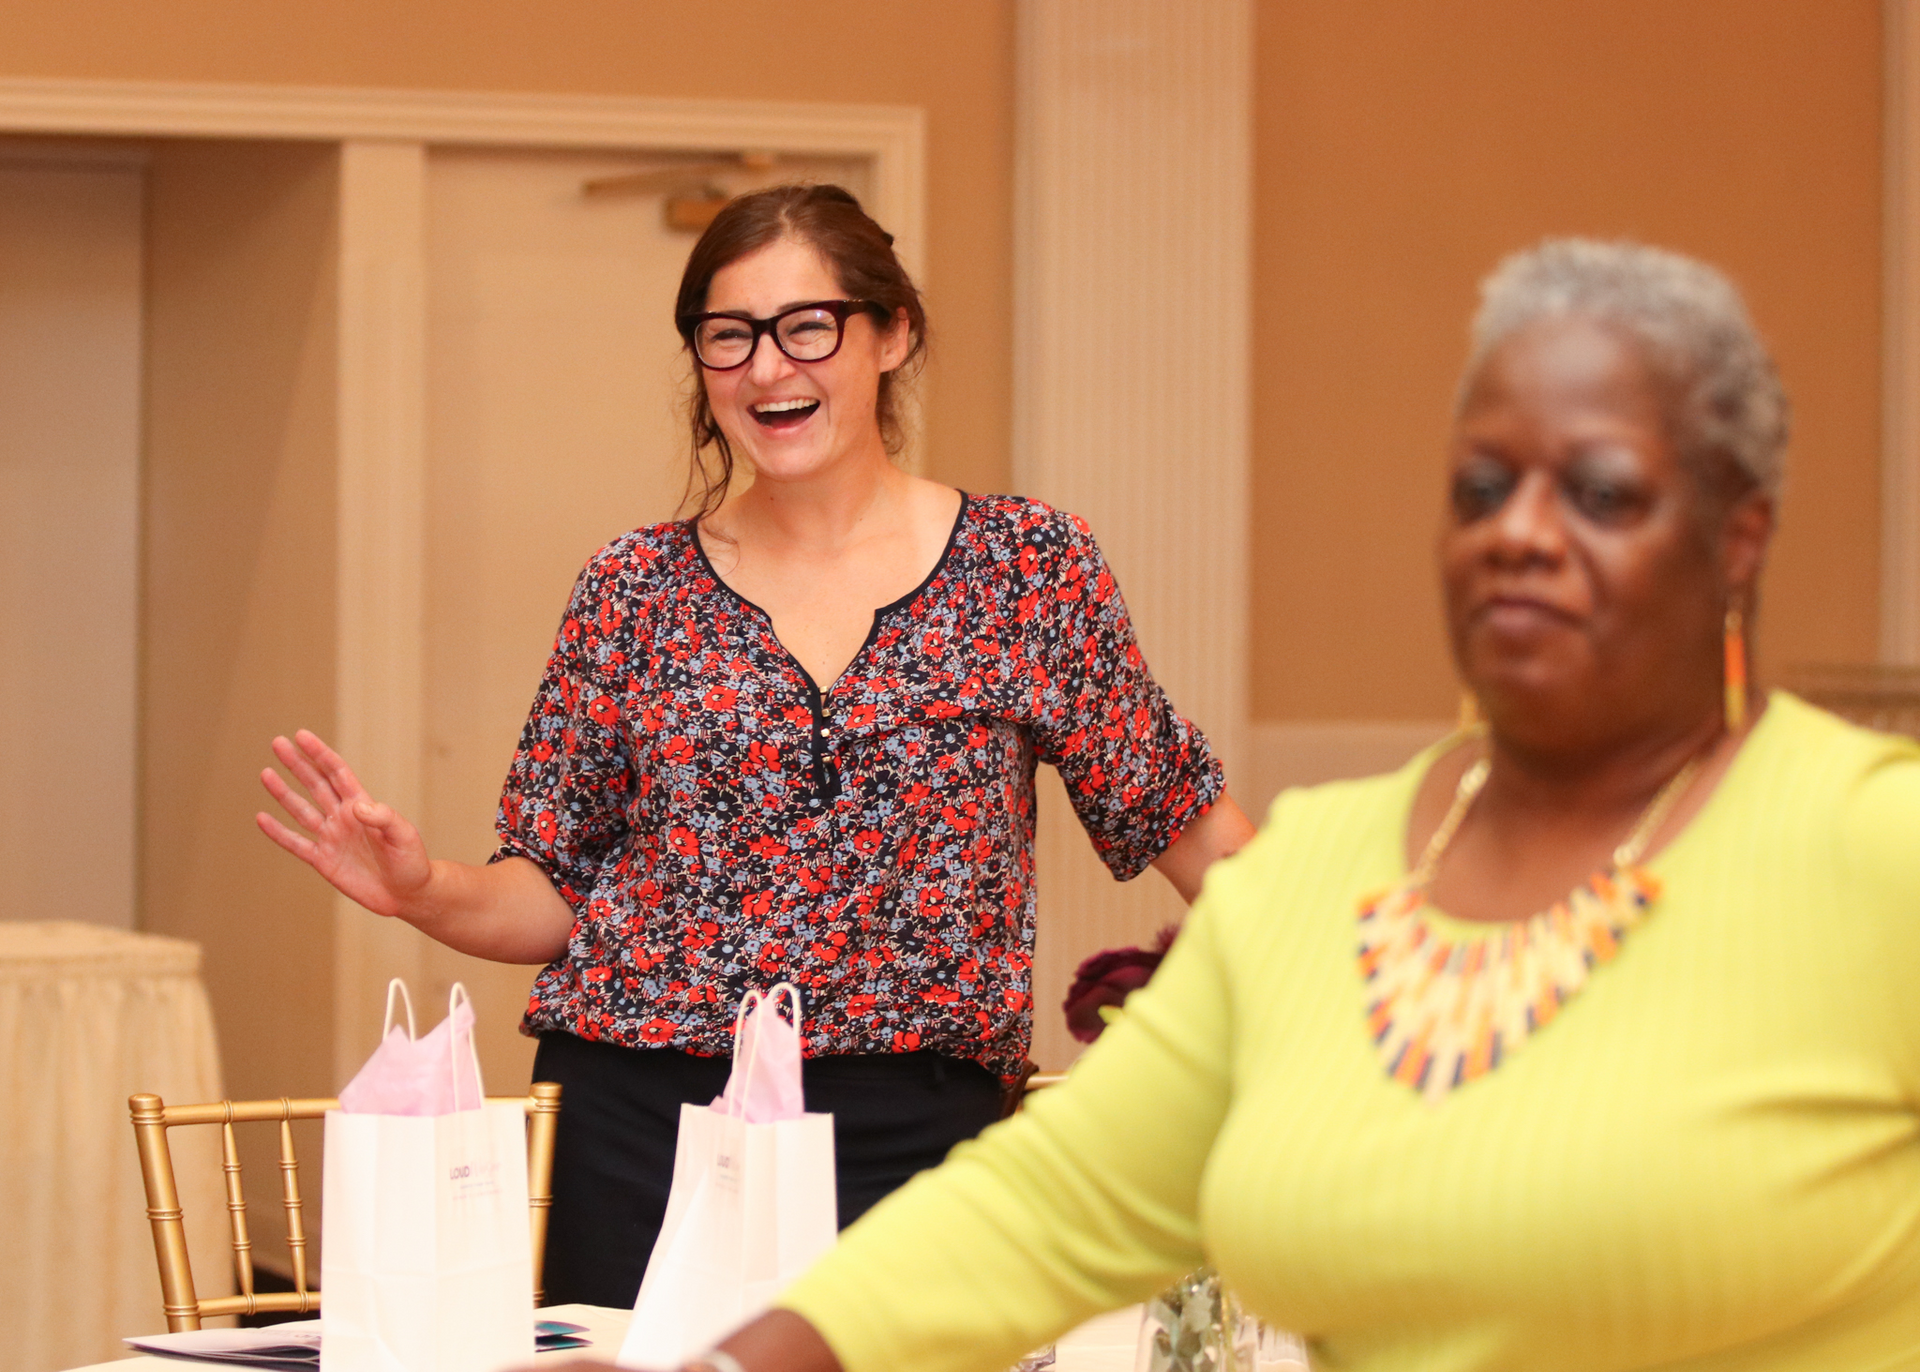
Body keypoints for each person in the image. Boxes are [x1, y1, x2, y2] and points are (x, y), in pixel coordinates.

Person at [657, 239, 1920, 1372]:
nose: (1520, 535)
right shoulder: (1322, 872)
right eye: (1483, 491)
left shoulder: (1875, 848)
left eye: (1600, 493)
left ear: (1738, 538)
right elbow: (1050, 1205)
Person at [256, 182, 1253, 1308]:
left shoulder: (1029, 568)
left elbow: (1183, 820)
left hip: (920, 1139)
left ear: (892, 333)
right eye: (728, 337)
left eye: (808, 327)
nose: (769, 369)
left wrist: (1364, 976)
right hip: (639, 1130)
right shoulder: (631, 588)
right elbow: (549, 889)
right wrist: (422, 887)